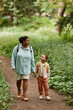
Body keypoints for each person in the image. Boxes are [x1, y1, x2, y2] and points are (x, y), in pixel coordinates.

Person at [11, 36, 35, 101]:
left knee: (26, 80)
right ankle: (19, 90)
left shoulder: (30, 48)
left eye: (29, 40)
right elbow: (13, 57)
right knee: (18, 81)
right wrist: (13, 66)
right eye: (27, 40)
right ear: (23, 41)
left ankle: (24, 95)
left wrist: (33, 68)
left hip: (27, 68)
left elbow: (32, 59)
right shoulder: (17, 48)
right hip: (19, 67)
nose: (28, 42)